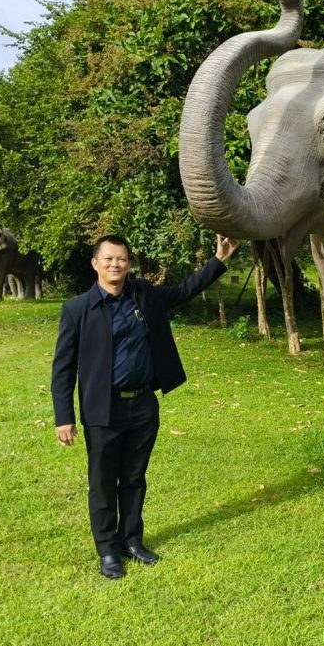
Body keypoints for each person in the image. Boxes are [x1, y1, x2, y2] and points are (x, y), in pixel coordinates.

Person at [52, 234, 239, 578]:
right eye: (108, 259)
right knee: (104, 481)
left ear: (129, 263)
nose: (115, 264)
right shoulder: (77, 310)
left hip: (142, 406)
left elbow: (183, 291)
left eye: (121, 259)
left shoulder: (144, 295)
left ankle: (131, 540)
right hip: (102, 410)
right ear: (95, 264)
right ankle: (108, 550)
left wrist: (219, 260)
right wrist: (63, 417)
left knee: (135, 477)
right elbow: (63, 368)